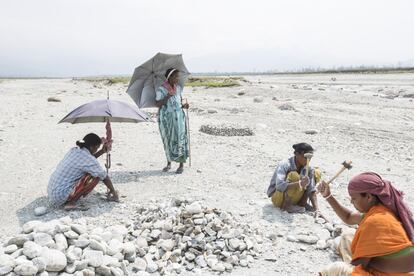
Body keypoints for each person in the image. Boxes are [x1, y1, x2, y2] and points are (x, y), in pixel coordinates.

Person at [318, 172, 414, 275]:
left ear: (368, 197)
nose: (351, 202)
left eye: (354, 198)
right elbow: (349, 217)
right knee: (348, 235)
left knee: (335, 269)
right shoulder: (384, 210)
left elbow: (362, 264)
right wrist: (328, 196)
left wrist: (358, 265)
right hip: (393, 266)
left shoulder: (375, 221)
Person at [48, 133, 119, 210]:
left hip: (53, 192)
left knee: (92, 170)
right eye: (97, 148)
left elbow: (88, 160)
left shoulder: (74, 150)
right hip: (61, 195)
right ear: (92, 147)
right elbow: (104, 176)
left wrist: (102, 151)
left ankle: (70, 198)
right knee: (95, 176)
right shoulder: (87, 159)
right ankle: (71, 202)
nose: (97, 150)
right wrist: (113, 191)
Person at [267, 143, 321, 215]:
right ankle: (287, 206)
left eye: (310, 158)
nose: (308, 160)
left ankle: (302, 204)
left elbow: (311, 189)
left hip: (296, 198)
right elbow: (279, 186)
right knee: (294, 175)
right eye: (305, 157)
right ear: (296, 154)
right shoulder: (285, 164)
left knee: (316, 172)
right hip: (279, 198)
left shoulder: (308, 169)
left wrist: (317, 209)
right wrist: (299, 183)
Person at [155, 68, 189, 174]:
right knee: (168, 139)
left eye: (178, 76)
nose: (178, 78)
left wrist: (184, 106)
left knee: (180, 138)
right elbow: (158, 104)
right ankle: (169, 163)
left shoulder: (178, 88)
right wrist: (166, 97)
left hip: (179, 118)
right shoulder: (161, 90)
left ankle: (181, 164)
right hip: (166, 119)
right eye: (176, 76)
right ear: (169, 77)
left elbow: (179, 102)